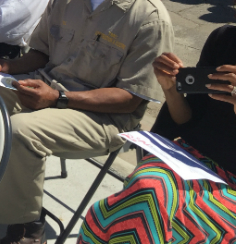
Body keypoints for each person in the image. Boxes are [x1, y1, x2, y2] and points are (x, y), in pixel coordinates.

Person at [0, 0, 174, 244]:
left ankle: (27, 228)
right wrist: (5, 67)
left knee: (22, 131)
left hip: (105, 117)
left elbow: (132, 98)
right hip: (49, 89)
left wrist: (57, 99)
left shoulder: (148, 17)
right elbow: (40, 53)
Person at [78, 23, 236, 244]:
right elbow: (187, 121)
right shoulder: (225, 40)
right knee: (148, 191)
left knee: (147, 205)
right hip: (193, 163)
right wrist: (170, 88)